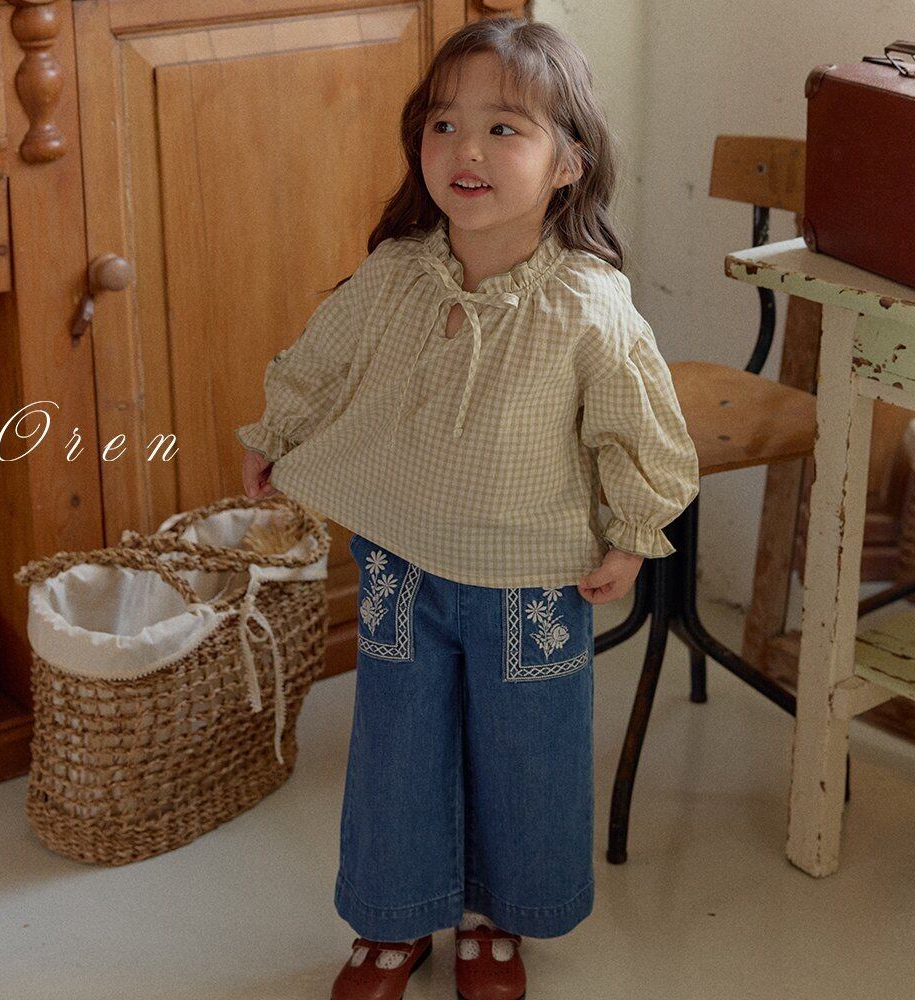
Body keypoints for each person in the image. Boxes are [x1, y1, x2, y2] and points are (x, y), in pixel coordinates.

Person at [237, 16, 699, 1000]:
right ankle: (393, 917)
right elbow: (321, 364)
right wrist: (274, 433)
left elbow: (641, 433)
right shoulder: (394, 276)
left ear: (567, 162)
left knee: (525, 753)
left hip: (531, 584)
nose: (465, 150)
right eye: (443, 124)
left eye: (503, 128)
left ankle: (495, 914)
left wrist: (632, 534)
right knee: (398, 746)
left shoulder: (588, 304)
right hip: (401, 564)